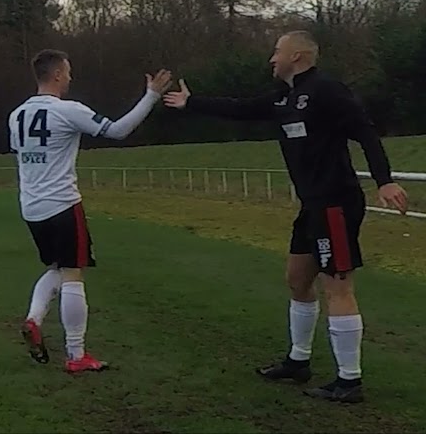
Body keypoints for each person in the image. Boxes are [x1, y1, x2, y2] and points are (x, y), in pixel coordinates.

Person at [163, 30, 408, 403]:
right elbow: (241, 108)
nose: (271, 59)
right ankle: (298, 361)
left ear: (298, 55)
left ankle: (349, 380)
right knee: (296, 279)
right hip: (311, 204)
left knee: (337, 286)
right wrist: (191, 102)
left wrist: (384, 181)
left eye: (277, 51)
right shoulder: (283, 96)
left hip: (336, 203)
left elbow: (366, 134)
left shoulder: (327, 90)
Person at [9, 49, 171, 373]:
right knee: (73, 274)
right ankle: (76, 354)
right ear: (56, 75)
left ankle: (34, 318)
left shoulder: (17, 115)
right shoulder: (67, 111)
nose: (70, 78)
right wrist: (151, 97)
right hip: (63, 203)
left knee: (56, 267)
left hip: (31, 206)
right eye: (67, 72)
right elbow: (118, 130)